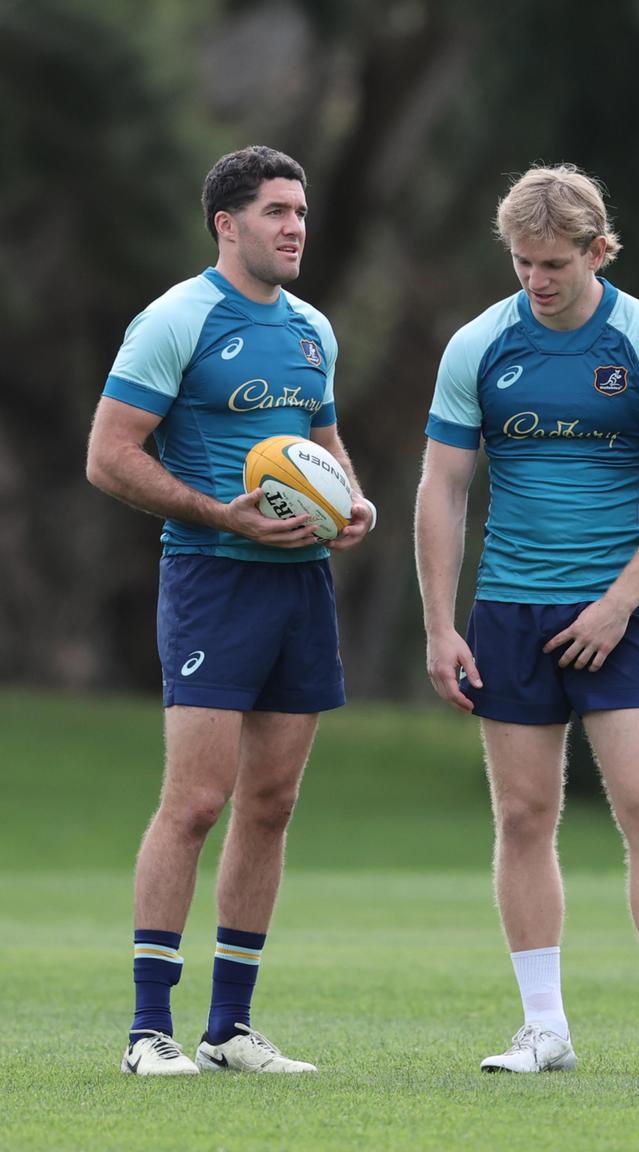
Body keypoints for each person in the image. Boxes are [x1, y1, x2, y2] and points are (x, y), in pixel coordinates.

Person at [414, 163, 639, 1077]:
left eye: (554, 263)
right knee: (522, 815)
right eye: (521, 263)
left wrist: (618, 603)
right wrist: (441, 624)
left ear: (599, 250)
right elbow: (443, 484)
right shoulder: (480, 344)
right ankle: (542, 1028)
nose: (536, 280)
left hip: (622, 613)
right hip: (510, 612)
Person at [86, 145, 375, 1077]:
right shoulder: (177, 320)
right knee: (196, 803)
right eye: (276, 211)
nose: (296, 226)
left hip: (299, 587)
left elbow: (320, 441)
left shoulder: (311, 331)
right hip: (211, 580)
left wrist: (351, 502)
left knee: (273, 803)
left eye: (301, 210)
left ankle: (229, 1031)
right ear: (228, 222)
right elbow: (110, 455)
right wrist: (220, 513)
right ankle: (146, 1033)